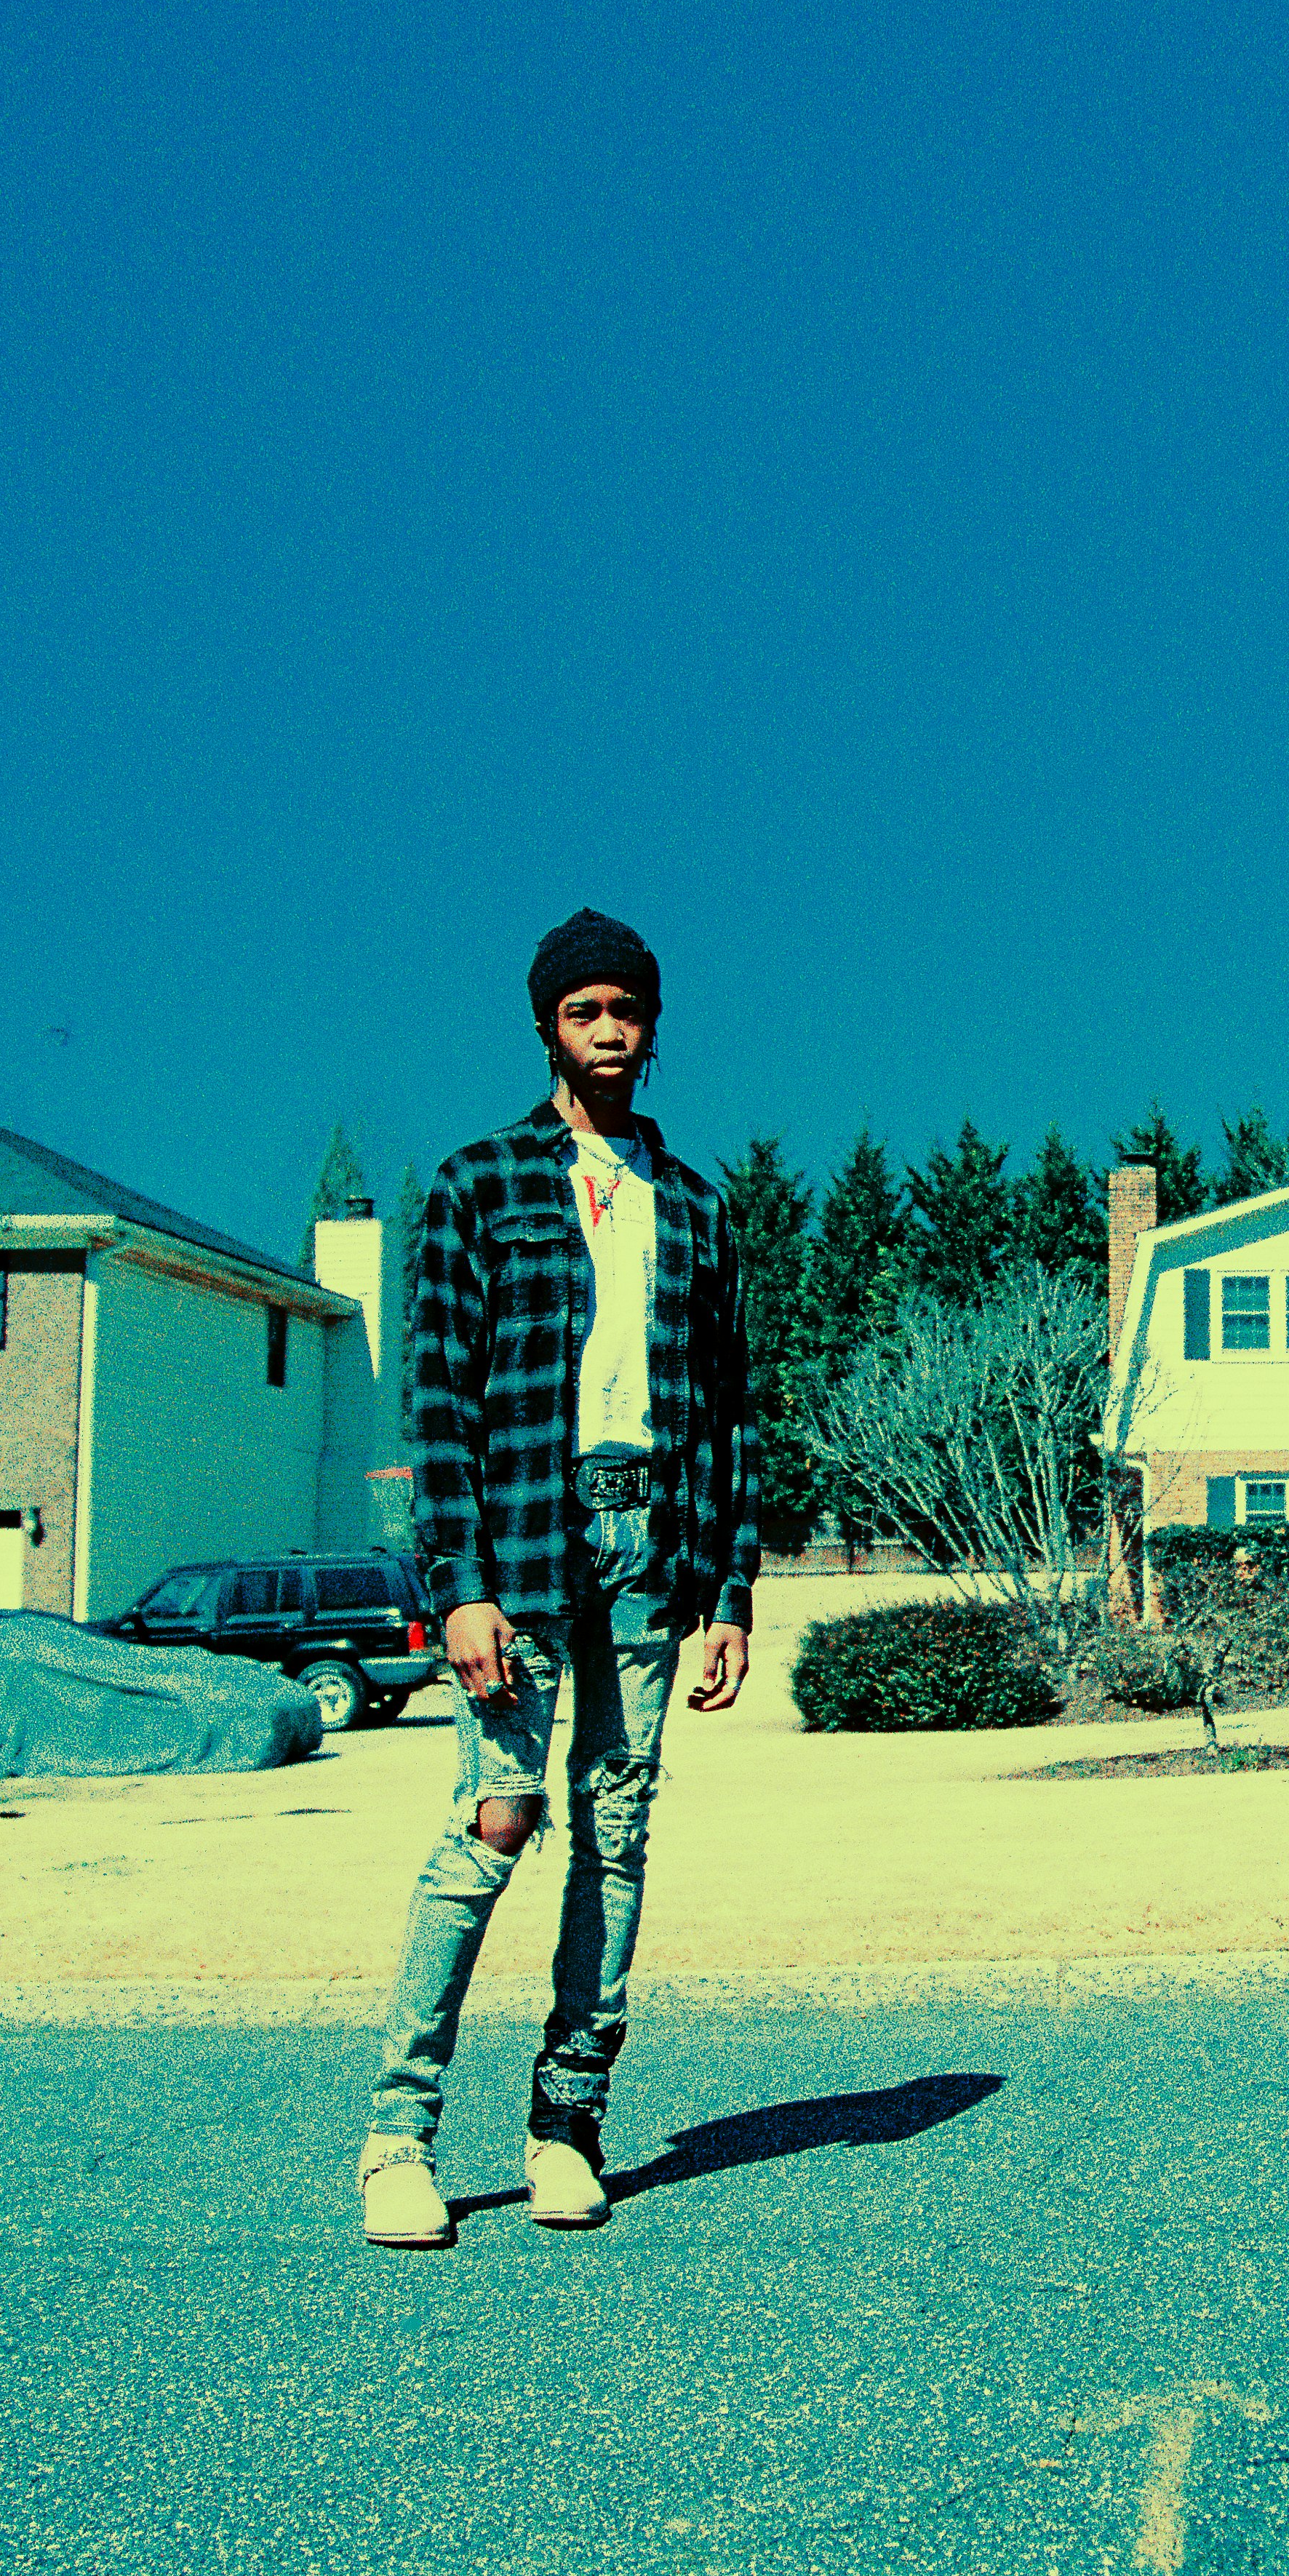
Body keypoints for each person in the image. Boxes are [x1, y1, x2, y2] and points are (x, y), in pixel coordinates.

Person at [356, 907, 757, 2249]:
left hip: (651, 1547)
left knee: (620, 1828)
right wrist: (456, 1584)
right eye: (583, 1009)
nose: (608, 1028)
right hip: (522, 1550)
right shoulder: (479, 1184)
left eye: (627, 1008)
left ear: (651, 1026)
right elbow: (439, 1403)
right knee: (498, 1816)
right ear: (547, 1027)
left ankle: (565, 2126)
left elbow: (731, 1409)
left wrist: (732, 1594)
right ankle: (398, 2134)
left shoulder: (694, 1203)